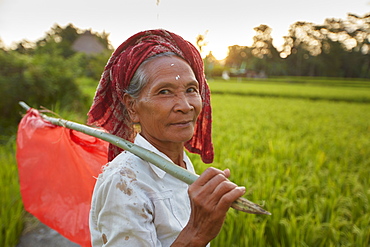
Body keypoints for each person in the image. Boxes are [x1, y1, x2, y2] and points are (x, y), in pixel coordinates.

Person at [88, 29, 245, 246]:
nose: (185, 105)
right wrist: (197, 232)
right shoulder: (125, 182)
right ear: (132, 106)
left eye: (191, 89)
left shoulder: (181, 166)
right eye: (164, 92)